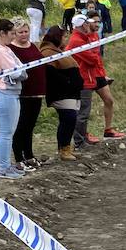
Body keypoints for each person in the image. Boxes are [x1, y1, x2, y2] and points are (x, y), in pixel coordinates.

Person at [67, 12, 124, 142]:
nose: (97, 24)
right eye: (94, 22)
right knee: (84, 109)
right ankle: (81, 137)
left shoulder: (94, 36)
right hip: (86, 76)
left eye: (99, 22)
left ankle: (108, 129)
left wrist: (103, 74)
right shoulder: (79, 39)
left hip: (96, 73)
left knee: (109, 100)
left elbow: (97, 58)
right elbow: (92, 58)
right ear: (85, 24)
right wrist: (93, 58)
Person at [0, 18, 28, 180]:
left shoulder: (5, 48)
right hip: (4, 94)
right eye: (11, 33)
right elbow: (17, 72)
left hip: (11, 93)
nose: (13, 36)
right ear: (2, 33)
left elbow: (21, 69)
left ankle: (6, 165)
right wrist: (21, 72)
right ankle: (3, 168)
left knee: (9, 132)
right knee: (5, 133)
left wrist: (22, 71)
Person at [39, 27, 81, 161]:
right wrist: (68, 82)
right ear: (57, 37)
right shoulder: (47, 53)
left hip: (70, 92)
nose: (66, 39)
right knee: (69, 118)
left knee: (68, 119)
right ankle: (64, 149)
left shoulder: (59, 51)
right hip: (61, 93)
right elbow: (51, 74)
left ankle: (65, 147)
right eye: (64, 37)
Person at [9, 18, 44, 171]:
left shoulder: (33, 46)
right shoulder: (11, 49)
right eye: (20, 32)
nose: (24, 35)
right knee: (20, 126)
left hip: (36, 92)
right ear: (14, 33)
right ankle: (18, 157)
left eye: (26, 31)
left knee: (30, 126)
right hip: (21, 92)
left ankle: (29, 155)